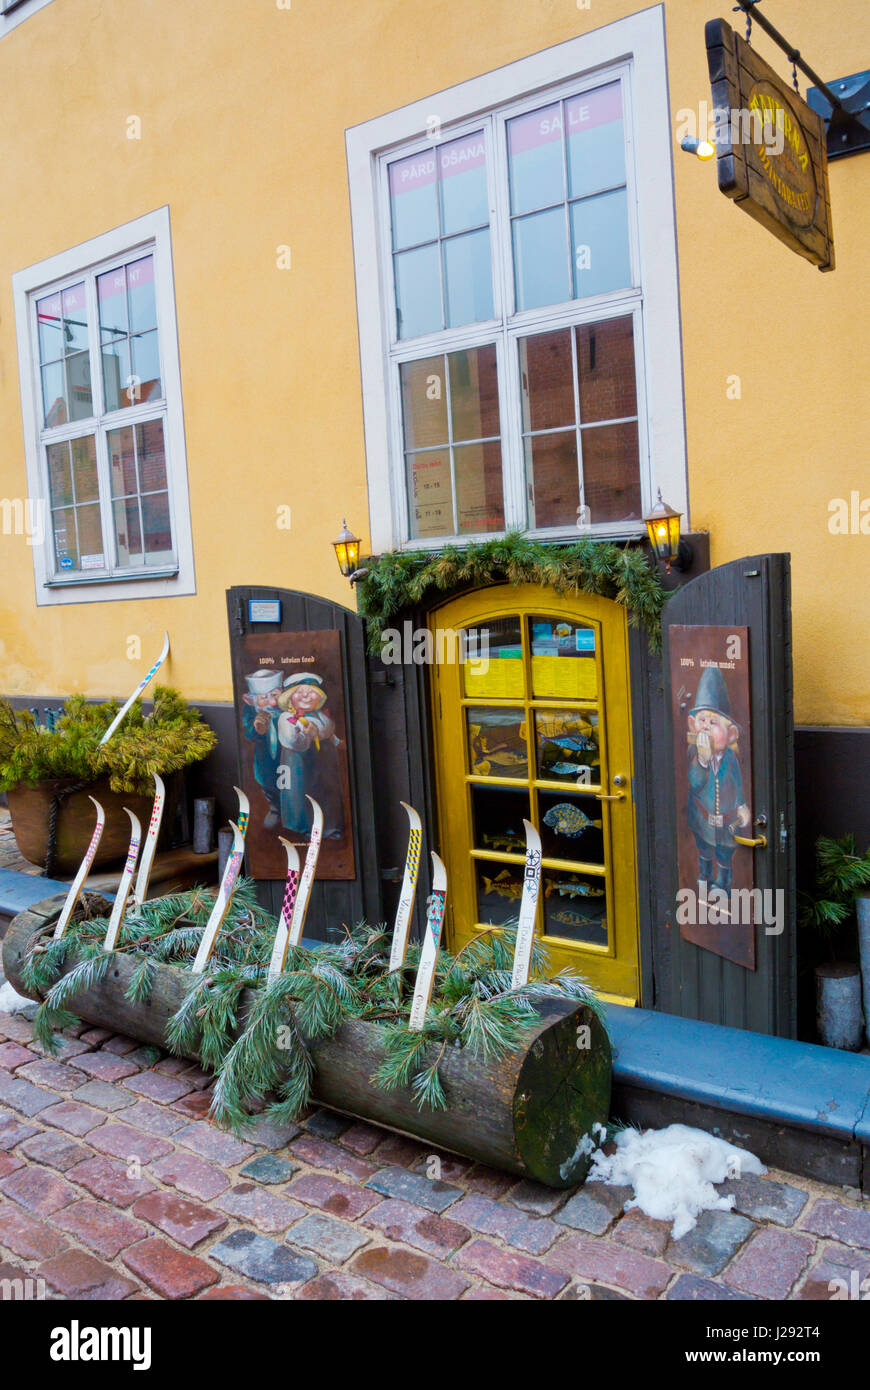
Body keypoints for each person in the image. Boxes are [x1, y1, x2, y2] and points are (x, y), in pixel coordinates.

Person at [686, 666, 751, 893]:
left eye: (713, 723)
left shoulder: (730, 758)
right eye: (702, 720)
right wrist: (702, 761)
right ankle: (705, 874)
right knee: (703, 846)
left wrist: (741, 805)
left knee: (724, 851)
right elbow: (694, 783)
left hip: (725, 820)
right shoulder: (694, 754)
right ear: (693, 725)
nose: (705, 726)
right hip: (701, 816)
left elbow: (737, 782)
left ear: (731, 733)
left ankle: (723, 883)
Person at [275, 671, 345, 839]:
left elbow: (328, 731)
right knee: (300, 794)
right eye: (299, 691)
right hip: (298, 762)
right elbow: (291, 741)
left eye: (311, 691)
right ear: (289, 697)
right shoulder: (287, 718)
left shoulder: (320, 715)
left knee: (327, 791)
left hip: (324, 760)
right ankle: (303, 829)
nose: (306, 695)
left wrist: (335, 741)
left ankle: (330, 828)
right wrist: (307, 735)